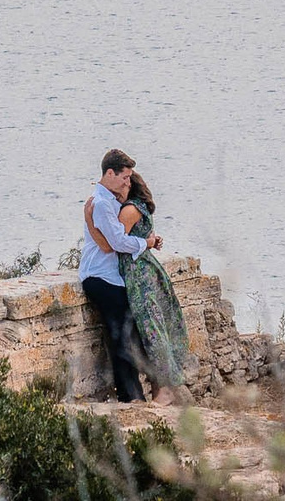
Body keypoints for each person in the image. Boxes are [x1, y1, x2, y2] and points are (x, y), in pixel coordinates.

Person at [78, 148, 157, 402]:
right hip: (101, 277)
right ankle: (130, 396)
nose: (128, 182)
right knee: (120, 334)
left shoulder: (110, 201)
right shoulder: (100, 203)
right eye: (124, 177)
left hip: (112, 277)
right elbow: (117, 242)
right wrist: (147, 242)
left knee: (125, 333)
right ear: (110, 173)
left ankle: (133, 393)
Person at [113, 171, 192, 403]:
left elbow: (116, 242)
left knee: (152, 331)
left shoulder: (129, 209)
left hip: (140, 276)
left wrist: (90, 220)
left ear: (131, 186)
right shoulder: (139, 207)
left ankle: (165, 389)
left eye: (125, 182)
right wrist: (150, 241)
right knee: (157, 328)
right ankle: (163, 388)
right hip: (147, 270)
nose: (120, 187)